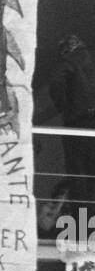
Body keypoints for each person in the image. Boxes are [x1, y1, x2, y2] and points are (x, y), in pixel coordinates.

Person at [50, 34, 95, 215]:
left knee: (79, 177)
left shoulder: (71, 59)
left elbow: (55, 83)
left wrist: (65, 107)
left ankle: (83, 229)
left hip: (79, 123)